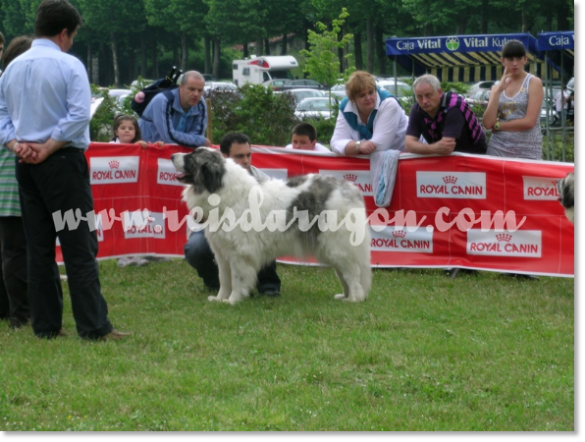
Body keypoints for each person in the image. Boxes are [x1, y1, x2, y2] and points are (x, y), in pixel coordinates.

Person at [0, 0, 129, 340]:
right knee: (79, 244)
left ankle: (45, 326)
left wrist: (16, 145)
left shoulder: (12, 67)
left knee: (38, 247)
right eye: (72, 36)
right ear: (63, 32)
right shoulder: (68, 65)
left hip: (25, 166)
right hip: (62, 166)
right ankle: (94, 326)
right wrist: (49, 146)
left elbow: (1, 113)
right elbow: (78, 116)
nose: (71, 42)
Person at [184, 132, 281, 297]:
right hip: (211, 230)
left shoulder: (260, 178)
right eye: (239, 156)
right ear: (224, 157)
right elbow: (198, 217)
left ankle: (267, 283)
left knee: (263, 232)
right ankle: (218, 283)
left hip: (251, 230)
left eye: (248, 155)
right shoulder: (206, 177)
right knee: (196, 248)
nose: (246, 161)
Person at [0, 35, 33, 330]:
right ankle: (21, 314)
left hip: (8, 178)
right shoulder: (15, 94)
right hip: (13, 178)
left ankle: (12, 309)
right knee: (17, 249)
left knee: (11, 248)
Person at [483, 39, 544, 160]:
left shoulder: (533, 83)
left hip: (528, 151)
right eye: (510, 59)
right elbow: (488, 123)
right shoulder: (497, 87)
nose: (515, 63)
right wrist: (497, 91)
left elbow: (529, 122)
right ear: (503, 61)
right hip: (498, 148)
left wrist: (499, 126)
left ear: (525, 59)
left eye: (518, 59)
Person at [405, 74, 487, 155]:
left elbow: (446, 147)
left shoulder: (454, 106)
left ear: (440, 92)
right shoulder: (417, 109)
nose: (424, 101)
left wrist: (425, 148)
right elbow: (409, 145)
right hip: (445, 157)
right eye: (419, 97)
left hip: (474, 155)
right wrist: (434, 148)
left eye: (428, 95)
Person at [330, 70, 407, 156]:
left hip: (406, 159)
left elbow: (379, 147)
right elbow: (335, 144)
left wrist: (352, 147)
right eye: (362, 95)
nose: (368, 98)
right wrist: (358, 145)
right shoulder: (345, 108)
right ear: (353, 99)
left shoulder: (389, 104)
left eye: (371, 92)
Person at [139, 70, 212, 148]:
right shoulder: (162, 101)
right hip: (144, 153)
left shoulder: (200, 103)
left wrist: (198, 141)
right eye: (191, 89)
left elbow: (197, 137)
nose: (196, 94)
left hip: (174, 154)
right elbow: (168, 138)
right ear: (181, 87)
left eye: (200, 90)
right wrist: (201, 141)